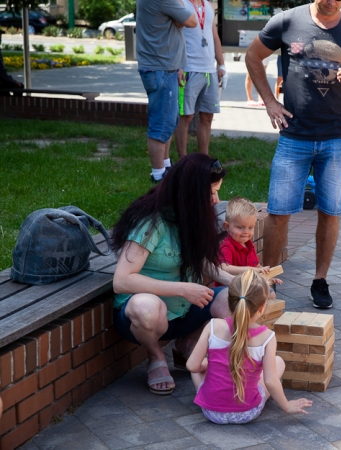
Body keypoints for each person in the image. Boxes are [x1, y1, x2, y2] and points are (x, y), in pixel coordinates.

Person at [244, 0, 341, 309]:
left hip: (337, 138)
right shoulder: (287, 21)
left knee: (330, 212)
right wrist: (269, 102)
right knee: (279, 212)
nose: (331, 0)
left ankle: (320, 280)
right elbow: (253, 56)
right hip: (294, 136)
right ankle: (268, 280)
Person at [111, 154, 233, 395]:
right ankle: (155, 355)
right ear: (191, 192)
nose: (216, 200)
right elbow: (122, 280)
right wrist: (183, 289)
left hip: (183, 312)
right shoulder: (151, 221)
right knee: (147, 306)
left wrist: (236, 282)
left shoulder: (191, 217)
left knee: (236, 299)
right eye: (211, 193)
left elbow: (200, 262)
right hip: (145, 318)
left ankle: (188, 344)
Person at [187, 270, 312, 424]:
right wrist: (287, 407)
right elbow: (271, 381)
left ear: (229, 300)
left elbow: (192, 366)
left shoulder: (213, 326)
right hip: (247, 413)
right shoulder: (267, 336)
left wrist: (207, 364)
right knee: (278, 362)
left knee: (201, 365)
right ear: (262, 306)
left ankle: (212, 394)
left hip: (211, 412)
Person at [136, 0, 198, 183]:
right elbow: (192, 21)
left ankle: (165, 167)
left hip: (164, 68)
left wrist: (177, 67)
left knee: (168, 121)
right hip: (161, 69)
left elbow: (180, 21)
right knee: (161, 123)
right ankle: (158, 175)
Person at [174, 0, 226, 157]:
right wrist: (177, 65)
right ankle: (183, 161)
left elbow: (214, 36)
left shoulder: (209, 5)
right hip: (189, 69)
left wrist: (221, 64)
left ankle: (204, 159)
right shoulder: (181, 3)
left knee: (207, 115)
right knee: (186, 116)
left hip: (209, 70)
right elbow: (174, 35)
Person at [219, 197, 283, 299]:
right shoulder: (227, 246)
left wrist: (266, 276)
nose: (246, 232)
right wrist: (251, 270)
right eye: (240, 227)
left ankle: (260, 314)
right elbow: (224, 268)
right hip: (229, 288)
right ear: (227, 226)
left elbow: (256, 266)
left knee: (271, 294)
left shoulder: (248, 244)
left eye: (250, 227)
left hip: (247, 285)